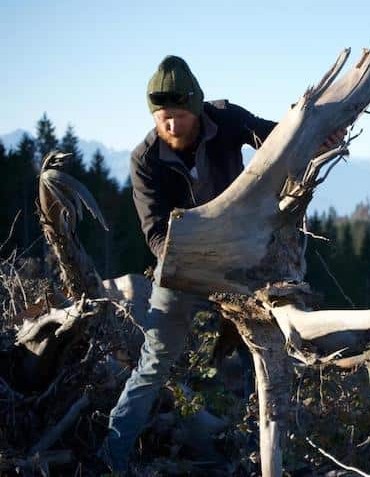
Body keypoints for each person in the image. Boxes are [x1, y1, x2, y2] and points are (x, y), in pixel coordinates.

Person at [102, 55, 342, 472]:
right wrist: (191, 260)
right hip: (180, 270)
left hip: (240, 263)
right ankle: (111, 457)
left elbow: (278, 138)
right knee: (154, 363)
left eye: (178, 116)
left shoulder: (226, 119)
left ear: (195, 108)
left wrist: (321, 138)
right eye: (162, 117)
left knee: (257, 356)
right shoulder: (145, 159)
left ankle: (251, 452)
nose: (171, 125)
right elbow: (156, 234)